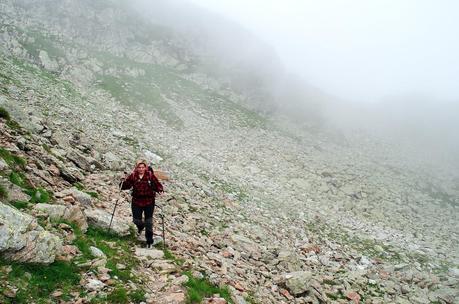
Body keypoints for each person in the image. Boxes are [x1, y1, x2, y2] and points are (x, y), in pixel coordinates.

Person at [121, 159, 163, 248]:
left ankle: (149, 241)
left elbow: (157, 184)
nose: (141, 169)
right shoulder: (133, 176)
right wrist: (122, 182)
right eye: (139, 167)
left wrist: (159, 189)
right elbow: (126, 186)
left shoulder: (150, 175)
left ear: (145, 168)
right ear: (136, 168)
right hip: (136, 200)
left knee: (149, 222)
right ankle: (140, 227)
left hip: (149, 201)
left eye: (142, 167)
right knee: (136, 220)